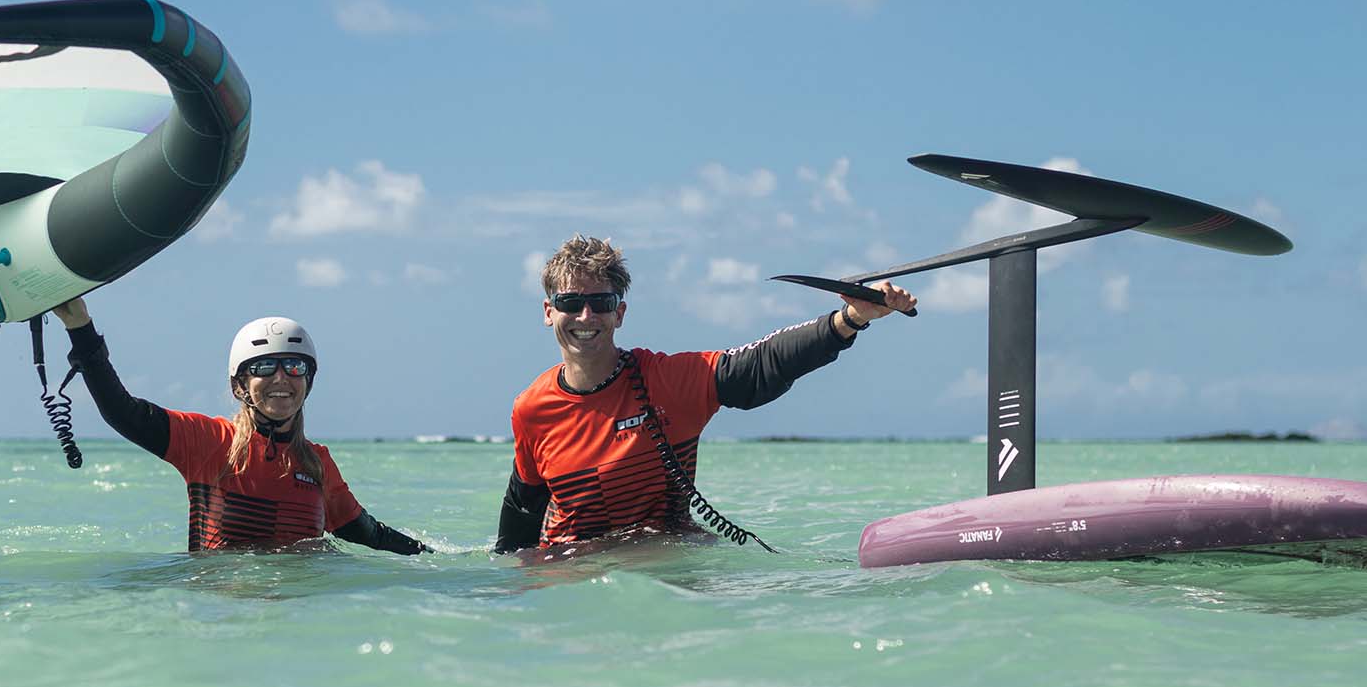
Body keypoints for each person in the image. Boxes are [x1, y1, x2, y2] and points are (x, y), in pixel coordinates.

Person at [494, 235, 916, 554]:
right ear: (549, 312)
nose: (586, 316)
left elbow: (759, 365)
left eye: (601, 302)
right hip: (571, 567)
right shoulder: (532, 408)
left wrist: (850, 319)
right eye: (571, 302)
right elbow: (522, 508)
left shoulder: (668, 381)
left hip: (663, 558)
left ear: (619, 313)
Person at [53, 298, 429, 555]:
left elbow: (369, 534)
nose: (281, 378)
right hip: (224, 614)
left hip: (302, 617)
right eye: (265, 367)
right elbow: (123, 412)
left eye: (294, 366)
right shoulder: (206, 442)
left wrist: (451, 562)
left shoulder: (318, 463)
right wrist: (79, 326)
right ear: (239, 386)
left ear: (308, 381)